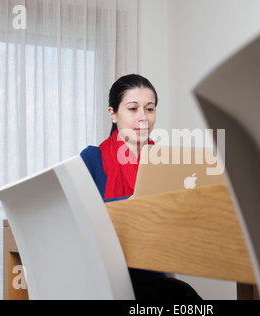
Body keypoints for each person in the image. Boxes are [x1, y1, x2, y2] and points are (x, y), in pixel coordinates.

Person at [80, 74, 202, 300]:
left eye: (150, 109)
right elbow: (76, 217)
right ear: (113, 114)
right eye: (133, 109)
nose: (143, 118)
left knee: (184, 295)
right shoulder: (91, 158)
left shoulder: (165, 163)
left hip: (152, 273)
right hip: (102, 275)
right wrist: (130, 206)